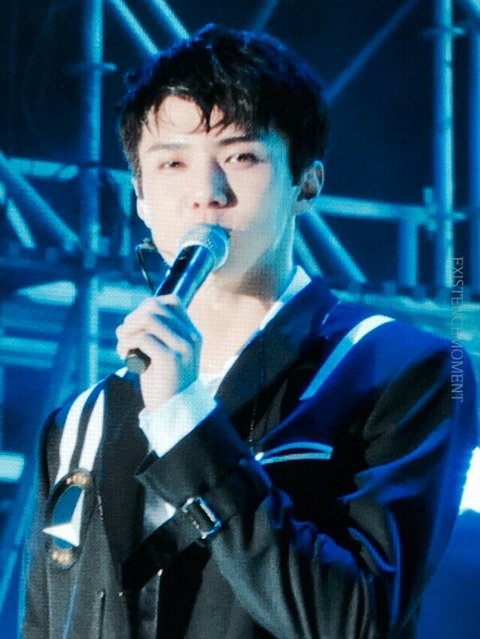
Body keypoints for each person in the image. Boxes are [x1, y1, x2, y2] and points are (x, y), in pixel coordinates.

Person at [23, 23, 477, 639]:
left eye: (241, 157)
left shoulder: (401, 372)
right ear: (140, 197)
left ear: (306, 182)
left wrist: (186, 417)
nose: (206, 194)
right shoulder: (82, 421)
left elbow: (353, 622)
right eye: (173, 162)